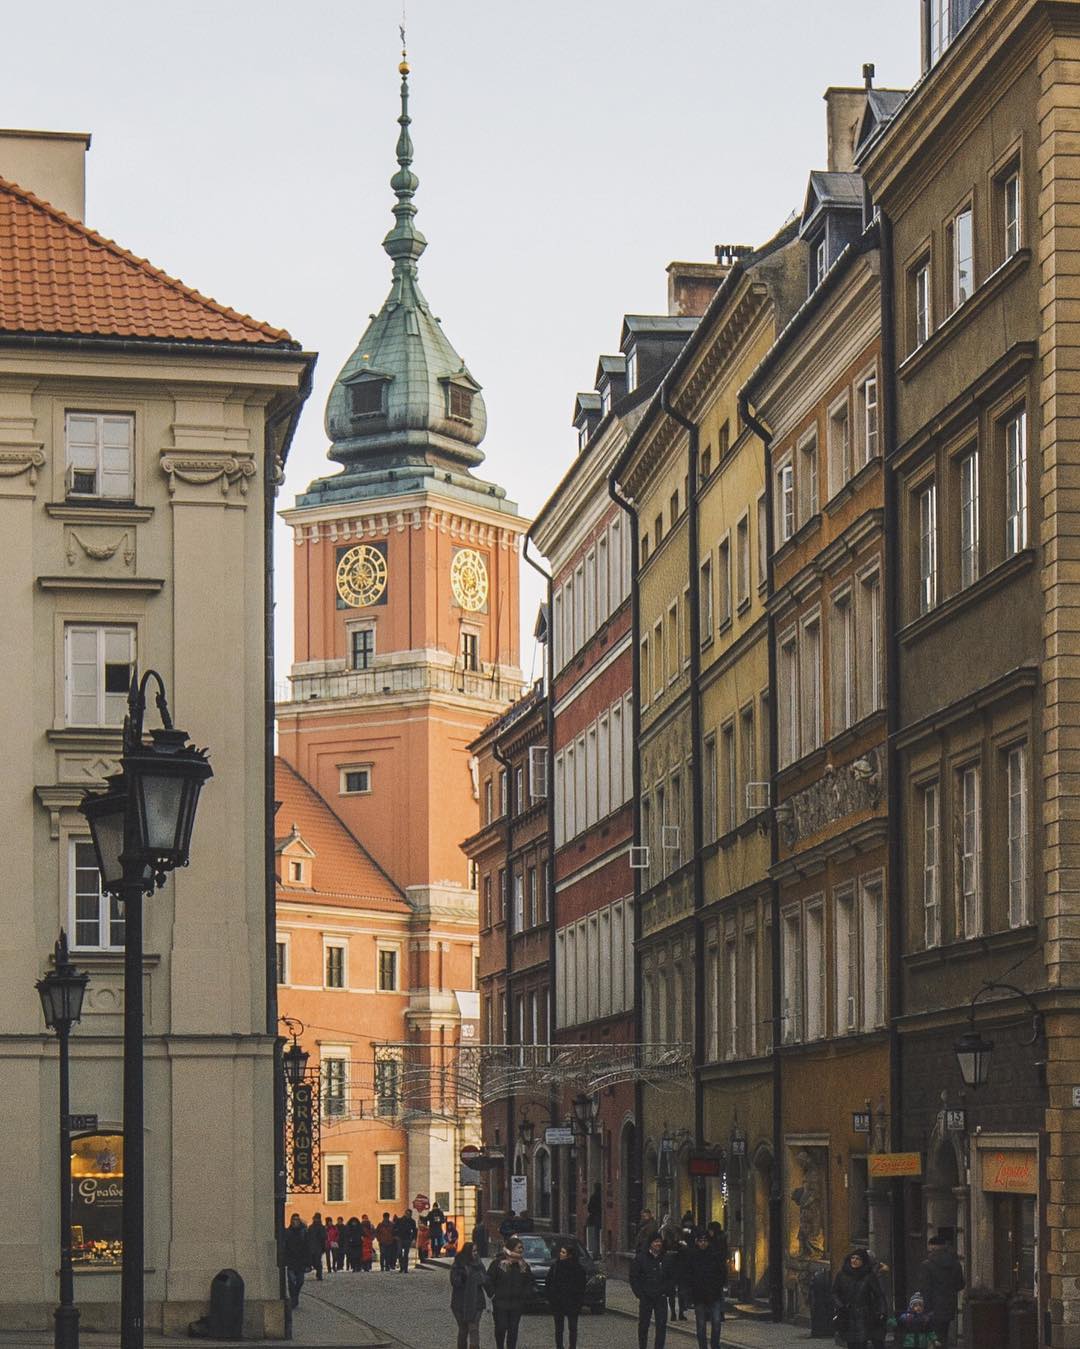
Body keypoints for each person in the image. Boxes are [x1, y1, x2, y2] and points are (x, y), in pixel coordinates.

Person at [832, 1248, 886, 1349]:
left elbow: (879, 1295)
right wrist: (840, 1306)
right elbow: (834, 1293)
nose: (854, 1260)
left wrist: (881, 1312)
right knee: (851, 1343)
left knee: (862, 1342)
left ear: (863, 1261)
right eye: (853, 1258)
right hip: (847, 1315)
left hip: (864, 1315)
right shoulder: (842, 1274)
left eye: (858, 1259)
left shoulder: (869, 1276)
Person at [916, 1234, 965, 1345]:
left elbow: (924, 1289)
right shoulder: (956, 1264)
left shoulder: (926, 1265)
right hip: (948, 1307)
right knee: (943, 1336)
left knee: (932, 1339)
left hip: (932, 1309)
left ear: (932, 1248)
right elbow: (960, 1285)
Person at [488, 1236, 534, 1349]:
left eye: (522, 1248)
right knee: (501, 1328)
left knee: (513, 1330)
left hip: (516, 1304)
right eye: (519, 1247)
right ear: (511, 1248)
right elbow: (488, 1280)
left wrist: (524, 1295)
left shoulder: (523, 1265)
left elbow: (529, 1281)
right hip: (500, 1303)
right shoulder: (499, 1263)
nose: (521, 1250)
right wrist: (493, 1294)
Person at [631, 1233, 675, 1349]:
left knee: (661, 1326)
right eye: (655, 1241)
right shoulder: (641, 1258)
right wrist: (640, 1293)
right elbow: (634, 1277)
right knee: (643, 1326)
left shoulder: (666, 1258)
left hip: (661, 1296)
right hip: (646, 1296)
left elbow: (671, 1277)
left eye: (659, 1241)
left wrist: (666, 1290)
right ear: (650, 1243)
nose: (658, 1244)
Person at [685, 1228, 727, 1349]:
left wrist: (718, 1286)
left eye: (705, 1240)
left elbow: (722, 1273)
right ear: (697, 1242)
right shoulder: (693, 1256)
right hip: (699, 1296)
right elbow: (688, 1275)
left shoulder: (715, 1255)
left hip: (714, 1295)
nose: (703, 1243)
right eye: (700, 1241)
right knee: (701, 1326)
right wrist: (690, 1293)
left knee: (716, 1323)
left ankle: (715, 1345)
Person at [451, 1241, 492, 1349]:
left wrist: (478, 1279)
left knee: (474, 1329)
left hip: (476, 1302)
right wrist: (464, 1277)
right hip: (460, 1303)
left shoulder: (478, 1263)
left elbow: (486, 1278)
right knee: (463, 1330)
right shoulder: (458, 1263)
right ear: (468, 1252)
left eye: (476, 1251)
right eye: (473, 1251)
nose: (475, 1253)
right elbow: (454, 1281)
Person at [547, 1241, 587, 1349]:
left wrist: (579, 1300)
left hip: (572, 1302)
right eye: (561, 1252)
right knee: (559, 1328)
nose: (560, 1254)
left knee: (572, 1327)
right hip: (558, 1302)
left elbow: (581, 1286)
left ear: (570, 1255)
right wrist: (551, 1298)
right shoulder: (556, 1266)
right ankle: (559, 1346)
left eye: (563, 1252)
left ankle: (572, 1346)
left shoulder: (578, 1269)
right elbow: (549, 1282)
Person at [283, 1214, 308, 1309]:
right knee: (291, 1281)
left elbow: (307, 1247)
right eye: (293, 1220)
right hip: (291, 1261)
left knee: (300, 1281)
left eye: (297, 1220)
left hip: (301, 1261)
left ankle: (295, 1296)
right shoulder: (288, 1232)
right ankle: (293, 1299)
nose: (295, 1222)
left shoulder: (304, 1232)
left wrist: (308, 1262)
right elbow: (285, 1246)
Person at [307, 1211, 327, 1281]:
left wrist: (323, 1247)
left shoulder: (321, 1227)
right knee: (313, 1260)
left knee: (317, 1261)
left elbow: (324, 1237)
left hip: (318, 1247)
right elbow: (308, 1237)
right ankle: (318, 1273)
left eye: (317, 1218)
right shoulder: (311, 1227)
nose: (316, 1220)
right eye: (315, 1218)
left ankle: (319, 1274)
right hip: (311, 1246)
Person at [586, 1182, 602, 1257]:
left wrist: (593, 1212)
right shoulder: (602, 1196)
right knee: (600, 1235)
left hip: (596, 1218)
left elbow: (589, 1208)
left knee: (595, 1235)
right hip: (601, 1217)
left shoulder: (593, 1196)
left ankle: (596, 1252)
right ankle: (600, 1251)